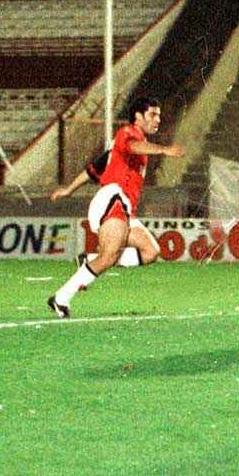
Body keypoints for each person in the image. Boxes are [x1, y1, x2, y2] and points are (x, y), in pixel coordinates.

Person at [47, 97, 185, 318]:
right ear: (138, 117)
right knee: (110, 256)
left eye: (158, 114)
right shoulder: (127, 133)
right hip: (113, 199)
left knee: (151, 252)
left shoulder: (120, 147)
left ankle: (90, 261)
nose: (157, 119)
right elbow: (134, 146)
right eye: (152, 114)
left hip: (125, 207)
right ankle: (61, 298)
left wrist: (69, 189)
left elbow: (94, 169)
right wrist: (163, 150)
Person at [50, 150, 144, 268]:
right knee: (143, 250)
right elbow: (90, 172)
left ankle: (89, 260)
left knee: (149, 250)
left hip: (125, 209)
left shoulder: (141, 154)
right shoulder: (117, 153)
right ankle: (90, 265)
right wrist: (69, 190)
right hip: (113, 207)